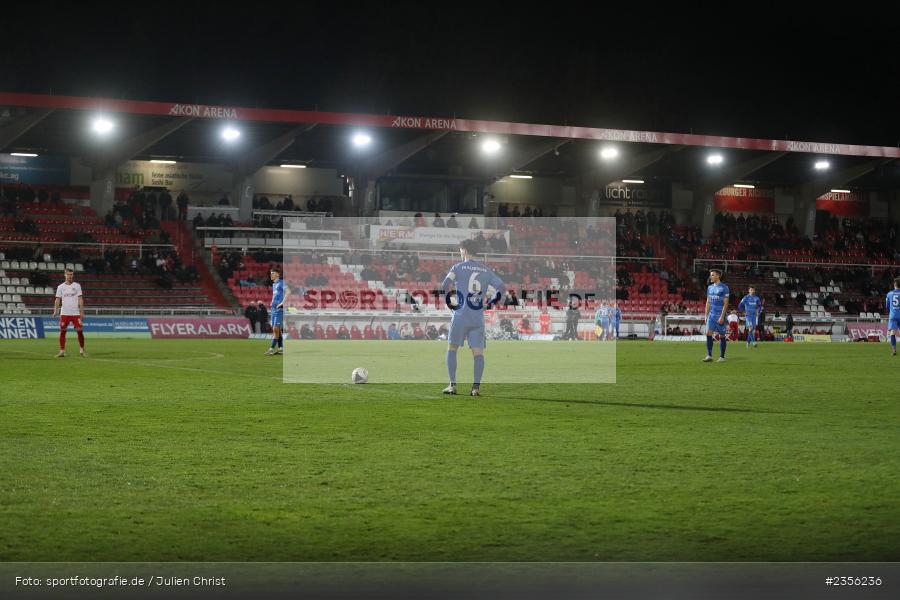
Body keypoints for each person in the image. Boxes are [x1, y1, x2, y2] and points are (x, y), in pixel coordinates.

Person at [441, 238, 506, 397]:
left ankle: (452, 385)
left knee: (452, 349)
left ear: (463, 250)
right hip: (477, 317)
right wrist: (490, 304)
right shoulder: (485, 270)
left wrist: (451, 302)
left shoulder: (457, 267)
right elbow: (502, 288)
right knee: (478, 353)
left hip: (461, 315)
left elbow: (445, 284)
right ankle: (476, 388)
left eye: (460, 249)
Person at [52, 267, 86, 357]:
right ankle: (62, 351)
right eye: (68, 274)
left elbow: (80, 299)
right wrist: (56, 310)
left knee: (79, 330)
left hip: (75, 313)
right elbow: (57, 300)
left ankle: (82, 350)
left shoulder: (77, 286)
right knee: (63, 331)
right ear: (65, 275)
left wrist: (82, 312)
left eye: (71, 275)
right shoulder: (60, 287)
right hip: (64, 313)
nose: (70, 276)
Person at [703, 268, 730, 363]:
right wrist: (706, 315)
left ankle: (722, 357)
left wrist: (722, 316)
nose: (711, 276)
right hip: (711, 315)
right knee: (708, 334)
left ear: (718, 276)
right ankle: (709, 355)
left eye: (713, 275)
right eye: (711, 275)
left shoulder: (724, 288)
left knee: (722, 335)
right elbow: (708, 302)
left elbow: (726, 303)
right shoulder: (710, 288)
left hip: (720, 315)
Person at [265, 267, 289, 355]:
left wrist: (282, 303)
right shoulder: (274, 284)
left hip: (279, 309)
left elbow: (288, 292)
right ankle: (280, 349)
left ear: (278, 274)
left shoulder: (281, 282)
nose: (271, 275)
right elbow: (275, 295)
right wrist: (272, 301)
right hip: (274, 309)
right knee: (277, 330)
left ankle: (271, 349)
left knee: (275, 330)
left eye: (273, 273)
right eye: (270, 273)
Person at [886, 277, 900, 356]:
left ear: (894, 284)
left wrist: (891, 310)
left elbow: (887, 306)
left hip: (893, 315)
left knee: (892, 333)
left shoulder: (889, 294)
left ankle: (894, 350)